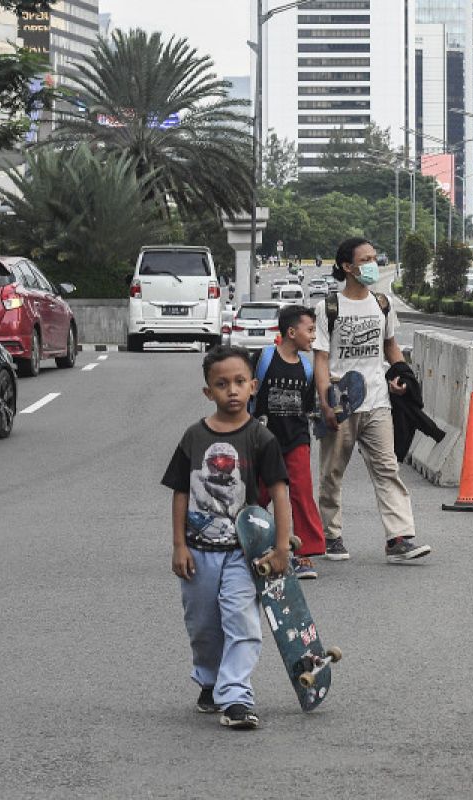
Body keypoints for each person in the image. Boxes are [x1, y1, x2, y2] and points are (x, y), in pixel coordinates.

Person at [161, 345, 292, 730]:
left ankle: (236, 696)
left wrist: (283, 547)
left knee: (241, 620)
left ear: (253, 386)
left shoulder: (261, 438)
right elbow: (180, 492)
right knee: (203, 626)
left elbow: (280, 492)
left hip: (242, 552)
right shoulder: (193, 437)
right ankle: (210, 679)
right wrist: (178, 544)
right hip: (198, 553)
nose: (231, 390)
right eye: (221, 384)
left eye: (239, 382)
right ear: (208, 392)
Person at [313, 237, 432, 564]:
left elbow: (391, 346)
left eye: (375, 258)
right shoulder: (328, 308)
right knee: (331, 473)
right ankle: (331, 535)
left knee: (387, 469)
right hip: (342, 402)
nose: (372, 264)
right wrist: (325, 401)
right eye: (365, 259)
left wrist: (401, 375)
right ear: (347, 267)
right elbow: (321, 358)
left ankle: (399, 537)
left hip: (378, 401)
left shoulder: (382, 303)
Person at [252, 305, 325, 579]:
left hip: (297, 440)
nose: (313, 336)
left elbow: (307, 407)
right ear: (291, 332)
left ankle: (305, 554)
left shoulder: (307, 367)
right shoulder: (264, 358)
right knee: (258, 496)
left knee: (302, 494)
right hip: (264, 441)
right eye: (310, 330)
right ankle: (253, 543)